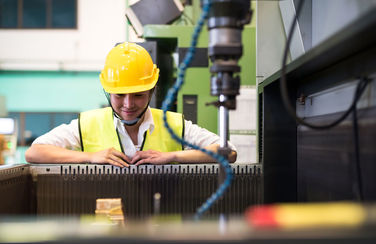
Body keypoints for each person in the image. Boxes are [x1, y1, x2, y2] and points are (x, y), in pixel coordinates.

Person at [25, 42, 237, 167]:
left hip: (161, 233)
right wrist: (90, 156)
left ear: (152, 91)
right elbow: (34, 153)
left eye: (138, 95)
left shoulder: (173, 125)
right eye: (119, 95)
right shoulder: (89, 124)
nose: (128, 104)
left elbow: (228, 152)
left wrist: (172, 156)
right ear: (108, 91)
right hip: (105, 233)